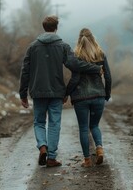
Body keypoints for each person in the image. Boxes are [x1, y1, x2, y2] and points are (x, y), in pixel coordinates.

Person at [19, 16, 102, 167]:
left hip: (38, 91)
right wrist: (96, 68)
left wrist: (23, 94)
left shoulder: (32, 47)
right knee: (54, 123)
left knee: (39, 122)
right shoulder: (63, 46)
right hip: (57, 91)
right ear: (56, 28)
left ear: (44, 27)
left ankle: (42, 146)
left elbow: (25, 71)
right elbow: (75, 65)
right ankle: (51, 157)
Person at [65, 28, 112, 167]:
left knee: (84, 128)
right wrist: (107, 93)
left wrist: (66, 93)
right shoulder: (101, 54)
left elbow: (75, 79)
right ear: (93, 38)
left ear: (80, 40)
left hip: (81, 97)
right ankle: (99, 148)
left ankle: (86, 160)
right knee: (95, 125)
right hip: (98, 95)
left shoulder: (77, 56)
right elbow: (108, 77)